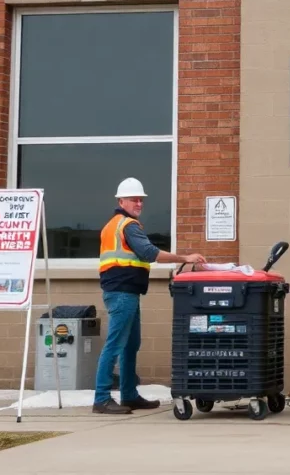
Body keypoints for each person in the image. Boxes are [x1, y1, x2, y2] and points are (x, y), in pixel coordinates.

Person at [92, 177, 207, 415]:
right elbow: (148, 252)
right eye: (134, 199)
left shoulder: (113, 225)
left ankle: (129, 395)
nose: (139, 203)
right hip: (122, 292)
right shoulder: (128, 225)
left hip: (126, 291)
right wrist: (184, 258)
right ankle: (101, 398)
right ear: (120, 200)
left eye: (141, 199)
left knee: (130, 345)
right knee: (115, 345)